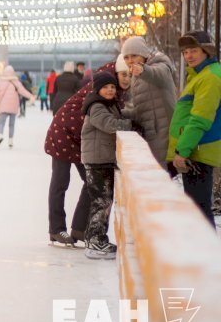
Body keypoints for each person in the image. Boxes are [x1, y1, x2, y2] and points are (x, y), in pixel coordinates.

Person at [45, 56, 131, 246]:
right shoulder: (105, 86)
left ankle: (79, 228)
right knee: (61, 181)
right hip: (64, 132)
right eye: (124, 74)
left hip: (81, 139)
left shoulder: (114, 89)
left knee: (89, 182)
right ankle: (56, 228)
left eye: (130, 75)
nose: (127, 79)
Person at [167, 31, 220, 225]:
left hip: (198, 149)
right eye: (185, 52)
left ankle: (205, 253)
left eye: (194, 50)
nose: (188, 56)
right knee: (196, 208)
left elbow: (200, 119)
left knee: (198, 209)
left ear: (206, 51)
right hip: (195, 149)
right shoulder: (200, 75)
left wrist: (183, 150)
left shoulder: (210, 77)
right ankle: (202, 252)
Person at [80, 71, 134, 259]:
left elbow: (119, 114)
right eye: (106, 87)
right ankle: (96, 241)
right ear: (98, 89)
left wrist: (135, 114)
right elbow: (109, 124)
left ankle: (95, 237)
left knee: (104, 200)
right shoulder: (96, 106)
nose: (110, 90)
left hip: (103, 158)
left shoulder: (107, 105)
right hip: (96, 160)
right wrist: (131, 125)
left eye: (112, 87)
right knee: (101, 201)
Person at [121, 36, 177, 168]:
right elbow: (142, 109)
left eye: (134, 55)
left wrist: (143, 70)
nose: (130, 61)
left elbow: (159, 74)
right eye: (126, 57)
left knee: (160, 173)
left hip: (163, 131)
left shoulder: (160, 65)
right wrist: (122, 113)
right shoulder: (136, 76)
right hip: (150, 131)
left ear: (143, 54)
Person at [0, 65, 35, 148]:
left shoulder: (0, 82)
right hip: (13, 106)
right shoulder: (17, 82)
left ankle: (0, 135)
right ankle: (10, 141)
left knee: (2, 122)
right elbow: (23, 91)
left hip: (3, 105)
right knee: (11, 124)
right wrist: (31, 96)